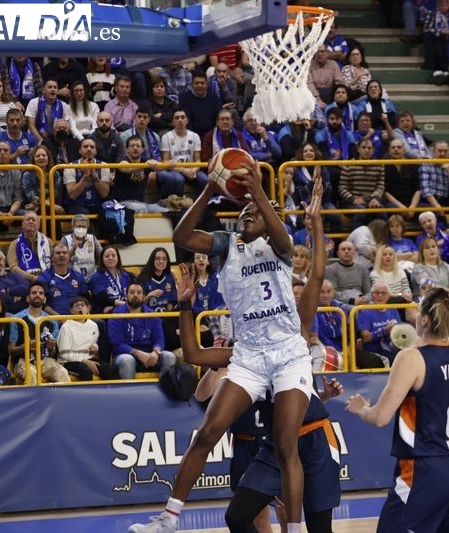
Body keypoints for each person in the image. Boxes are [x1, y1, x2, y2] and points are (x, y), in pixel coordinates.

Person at [130, 161, 315, 533]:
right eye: (243, 210)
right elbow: (182, 237)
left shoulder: (280, 247)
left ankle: (295, 529)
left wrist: (258, 191)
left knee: (285, 445)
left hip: (288, 353)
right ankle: (168, 519)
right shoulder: (228, 245)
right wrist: (211, 190)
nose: (247, 214)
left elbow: (281, 237)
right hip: (248, 353)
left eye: (254, 212)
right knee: (207, 432)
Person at [345, 284, 449, 533]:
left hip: (424, 470)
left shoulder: (410, 358)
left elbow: (381, 417)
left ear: (425, 320)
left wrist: (361, 408)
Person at [108, 281, 177, 379]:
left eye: (139, 293)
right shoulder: (116, 314)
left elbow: (159, 339)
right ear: (126, 295)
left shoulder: (152, 314)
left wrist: (156, 352)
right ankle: (128, 392)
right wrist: (138, 353)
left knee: (169, 357)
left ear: (144, 296)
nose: (135, 295)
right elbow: (117, 343)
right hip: (125, 354)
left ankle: (165, 391)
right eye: (132, 292)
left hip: (149, 353)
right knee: (127, 360)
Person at [8, 281, 70, 384]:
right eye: (34, 292)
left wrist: (51, 348)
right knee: (32, 375)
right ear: (28, 298)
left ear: (44, 299)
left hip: (46, 361)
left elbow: (53, 353)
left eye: (41, 293)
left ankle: (58, 400)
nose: (37, 295)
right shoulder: (16, 319)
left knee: (63, 373)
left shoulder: (52, 321)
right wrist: (26, 346)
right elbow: (11, 350)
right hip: (23, 361)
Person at [57, 295, 119, 381]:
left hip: (90, 358)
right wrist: (85, 361)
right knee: (86, 372)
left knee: (111, 371)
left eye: (82, 305)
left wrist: (95, 347)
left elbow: (95, 342)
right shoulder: (66, 327)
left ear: (88, 309)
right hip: (69, 361)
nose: (80, 307)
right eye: (76, 305)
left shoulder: (93, 325)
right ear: (71, 310)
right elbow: (64, 354)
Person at [157, 109, 209, 199]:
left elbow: (197, 160)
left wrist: (193, 170)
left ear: (187, 120)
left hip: (191, 169)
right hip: (174, 170)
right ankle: (178, 208)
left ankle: (203, 207)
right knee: (179, 179)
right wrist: (183, 170)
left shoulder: (194, 136)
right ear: (173, 122)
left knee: (205, 180)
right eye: (177, 118)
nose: (180, 120)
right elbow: (166, 161)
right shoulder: (166, 137)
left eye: (182, 117)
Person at [356, 282, 401, 368]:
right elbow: (365, 338)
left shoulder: (393, 309)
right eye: (377, 293)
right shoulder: (365, 311)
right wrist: (384, 331)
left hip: (392, 347)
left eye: (383, 293)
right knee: (395, 359)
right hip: (374, 350)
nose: (380, 295)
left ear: (388, 295)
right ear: (372, 295)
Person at [63, 137, 112, 215]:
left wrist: (94, 174)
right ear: (79, 150)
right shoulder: (70, 167)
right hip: (76, 205)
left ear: (96, 151)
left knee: (109, 213)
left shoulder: (104, 166)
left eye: (92, 147)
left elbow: (104, 194)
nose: (89, 149)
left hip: (97, 204)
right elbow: (72, 195)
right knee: (84, 213)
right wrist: (85, 176)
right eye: (85, 147)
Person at [37, 243, 89, 316]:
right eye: (58, 253)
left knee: (99, 323)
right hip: (53, 319)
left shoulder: (78, 276)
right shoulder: (44, 277)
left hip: (77, 318)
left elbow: (87, 301)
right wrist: (60, 319)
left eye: (64, 253)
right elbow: (43, 304)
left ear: (69, 257)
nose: (61, 255)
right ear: (52, 257)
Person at [7, 211, 53, 283]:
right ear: (22, 224)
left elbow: (54, 263)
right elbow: (14, 268)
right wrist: (32, 278)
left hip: (46, 279)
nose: (31, 221)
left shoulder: (48, 242)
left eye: (33, 220)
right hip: (23, 280)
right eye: (28, 219)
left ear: (38, 225)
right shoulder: (14, 244)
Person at [0, 247, 30, 314]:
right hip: (1, 315)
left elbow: (27, 288)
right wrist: (13, 298)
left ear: (4, 261)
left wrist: (7, 291)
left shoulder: (15, 275)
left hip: (24, 313)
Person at [410, 236, 449, 300]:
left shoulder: (446, 266)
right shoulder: (418, 268)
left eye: (433, 246)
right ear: (422, 253)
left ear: (438, 250)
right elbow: (429, 285)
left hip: (447, 299)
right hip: (425, 301)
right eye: (427, 248)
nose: (431, 249)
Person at [325, 240, 373, 307]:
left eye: (349, 249)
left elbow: (368, 291)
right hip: (342, 302)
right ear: (338, 253)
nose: (346, 251)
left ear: (354, 253)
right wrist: (352, 300)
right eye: (343, 249)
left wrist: (365, 299)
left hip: (361, 300)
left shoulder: (363, 269)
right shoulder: (331, 269)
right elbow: (332, 292)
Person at [89, 245, 134, 314]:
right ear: (102, 259)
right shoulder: (96, 277)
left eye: (113, 256)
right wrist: (124, 305)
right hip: (105, 313)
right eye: (107, 256)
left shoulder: (125, 275)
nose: (110, 258)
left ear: (118, 258)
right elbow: (103, 298)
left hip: (125, 309)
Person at [25, 79, 71, 144]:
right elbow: (31, 125)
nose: (53, 89)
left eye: (55, 87)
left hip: (55, 138)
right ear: (44, 90)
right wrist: (41, 141)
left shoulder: (63, 105)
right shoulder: (34, 102)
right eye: (50, 87)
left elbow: (66, 126)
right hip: (36, 136)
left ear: (57, 91)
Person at [61, 213, 102, 282]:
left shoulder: (92, 238)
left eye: (83, 227)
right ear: (73, 226)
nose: (81, 229)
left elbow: (102, 254)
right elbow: (61, 260)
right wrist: (72, 249)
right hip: (72, 279)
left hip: (91, 278)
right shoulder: (65, 240)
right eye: (78, 226)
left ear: (87, 227)